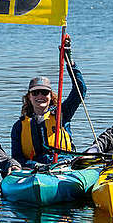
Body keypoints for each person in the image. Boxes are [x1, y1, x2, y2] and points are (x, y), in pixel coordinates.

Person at [10, 36, 87, 168]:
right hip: (35, 169)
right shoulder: (19, 126)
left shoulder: (62, 114)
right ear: (29, 97)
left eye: (45, 92)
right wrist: (34, 165)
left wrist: (70, 62)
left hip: (64, 165)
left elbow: (80, 90)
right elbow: (17, 158)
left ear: (51, 96)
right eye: (35, 93)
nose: (40, 96)